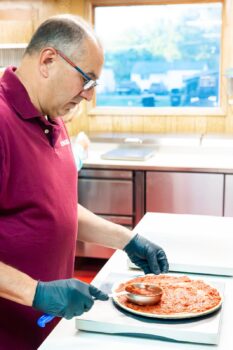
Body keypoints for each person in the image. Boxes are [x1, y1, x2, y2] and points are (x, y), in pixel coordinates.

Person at [0, 14, 169, 350]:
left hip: (47, 332)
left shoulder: (53, 117)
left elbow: (55, 209)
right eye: (86, 80)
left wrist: (127, 240)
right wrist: (37, 292)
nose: (89, 96)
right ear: (48, 60)